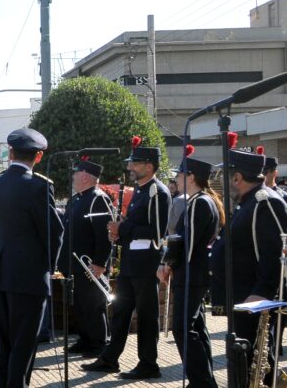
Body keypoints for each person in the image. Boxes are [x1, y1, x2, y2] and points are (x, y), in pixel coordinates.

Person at [84, 139, 170, 379]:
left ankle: (148, 363)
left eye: (136, 163)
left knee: (146, 316)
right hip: (132, 261)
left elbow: (157, 231)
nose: (130, 167)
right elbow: (134, 230)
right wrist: (118, 234)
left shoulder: (156, 191)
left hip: (146, 263)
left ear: (149, 166)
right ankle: (110, 358)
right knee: (121, 311)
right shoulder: (142, 190)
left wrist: (123, 228)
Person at [0, 128, 63, 388]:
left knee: (5, 343)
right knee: (24, 343)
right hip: (30, 277)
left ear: (10, 153)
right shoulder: (39, 187)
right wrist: (51, 267)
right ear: (38, 156)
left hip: (1, 274)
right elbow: (53, 233)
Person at [158, 147, 221, 388]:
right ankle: (204, 381)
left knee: (183, 329)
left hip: (191, 273)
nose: (176, 179)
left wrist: (168, 264)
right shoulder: (200, 201)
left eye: (180, 175)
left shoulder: (199, 203)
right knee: (196, 328)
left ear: (191, 177)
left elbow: (188, 243)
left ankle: (201, 382)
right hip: (194, 272)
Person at [224, 149, 287, 376]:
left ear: (237, 177)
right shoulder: (247, 202)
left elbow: (276, 252)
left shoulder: (265, 201)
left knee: (257, 367)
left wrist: (262, 291)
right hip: (242, 297)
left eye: (226, 176)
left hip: (255, 299)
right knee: (244, 364)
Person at [63, 159, 113, 358]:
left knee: (93, 304)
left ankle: (99, 342)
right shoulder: (76, 199)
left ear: (85, 176)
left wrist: (100, 263)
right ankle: (85, 339)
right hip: (76, 263)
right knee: (80, 303)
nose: (72, 177)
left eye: (75, 173)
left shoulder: (98, 199)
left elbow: (104, 235)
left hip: (91, 264)